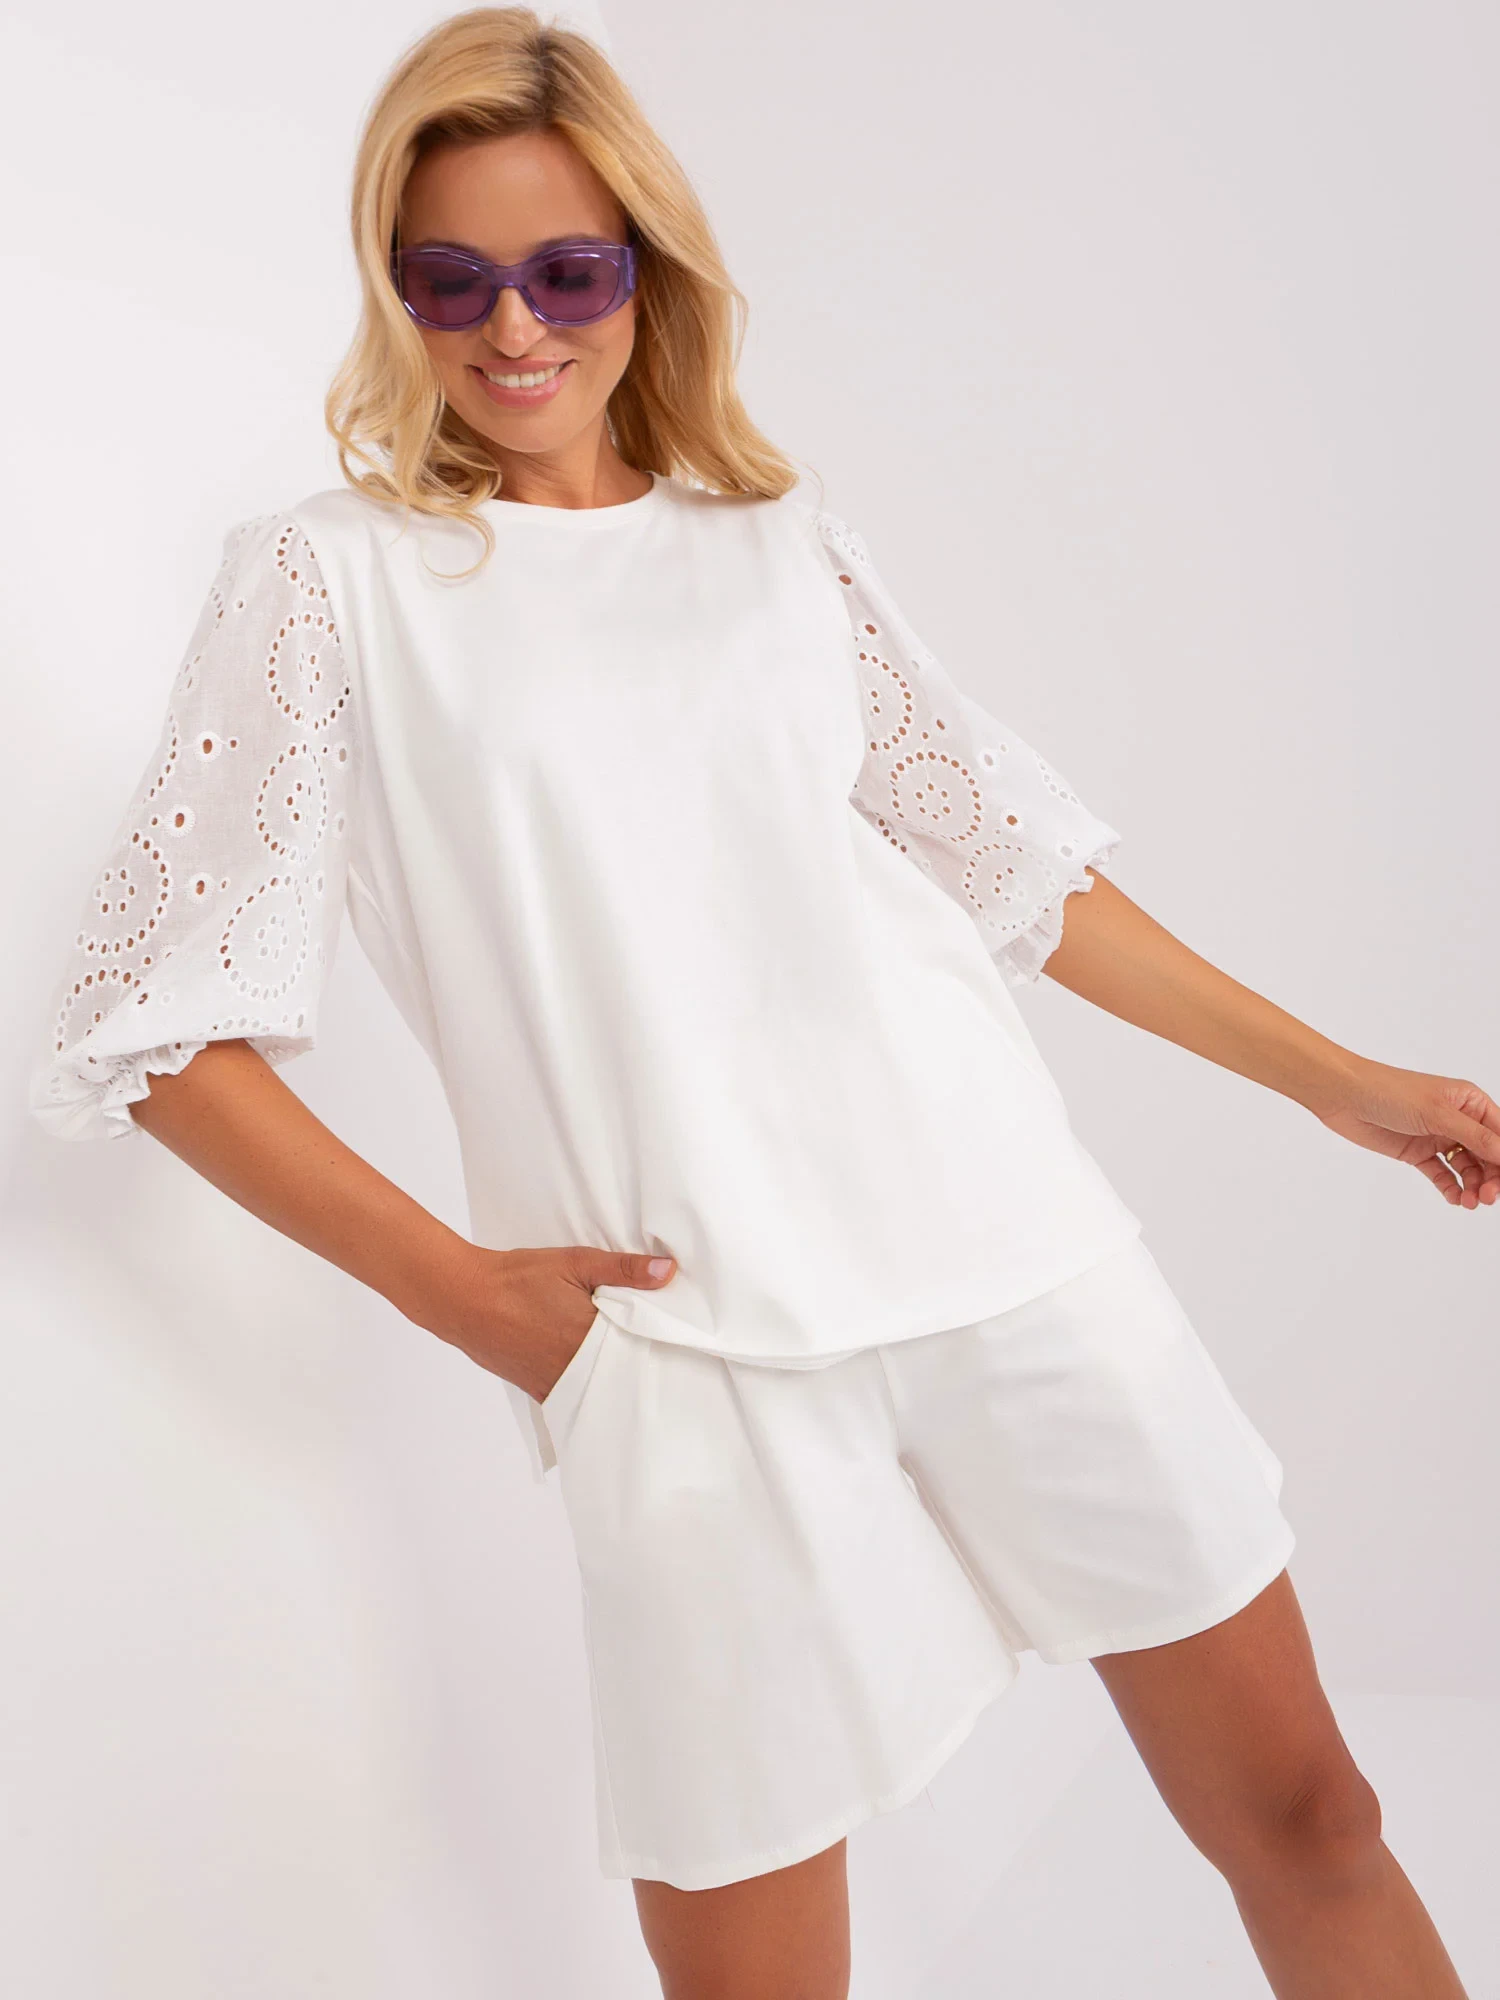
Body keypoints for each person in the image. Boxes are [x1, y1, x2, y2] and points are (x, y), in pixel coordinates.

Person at [29, 8, 1492, 1996]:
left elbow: (1018, 873)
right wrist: (464, 1296)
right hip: (680, 1348)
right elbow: (155, 1028)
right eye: (451, 277)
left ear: (645, 269)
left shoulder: (779, 549)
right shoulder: (326, 583)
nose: (514, 326)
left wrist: (1342, 1080)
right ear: (395, 289)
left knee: (1311, 1815)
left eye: (568, 270)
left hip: (1007, 1255)